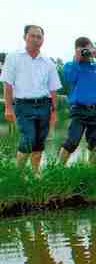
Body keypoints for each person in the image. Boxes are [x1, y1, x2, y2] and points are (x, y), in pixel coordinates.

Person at [0, 25, 62, 175]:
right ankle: (18, 174)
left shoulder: (48, 63)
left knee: (39, 143)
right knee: (28, 139)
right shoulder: (13, 57)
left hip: (44, 105)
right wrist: (8, 107)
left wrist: (54, 112)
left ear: (43, 40)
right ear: (25, 37)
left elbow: (53, 90)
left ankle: (35, 173)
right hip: (23, 105)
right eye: (32, 36)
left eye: (39, 37)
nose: (35, 39)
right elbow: (7, 84)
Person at [59, 37, 96, 165]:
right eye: (83, 49)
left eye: (88, 49)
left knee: (95, 144)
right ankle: (58, 168)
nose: (87, 53)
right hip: (79, 110)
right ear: (76, 50)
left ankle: (91, 171)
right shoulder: (71, 66)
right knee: (72, 142)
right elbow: (69, 78)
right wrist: (77, 60)